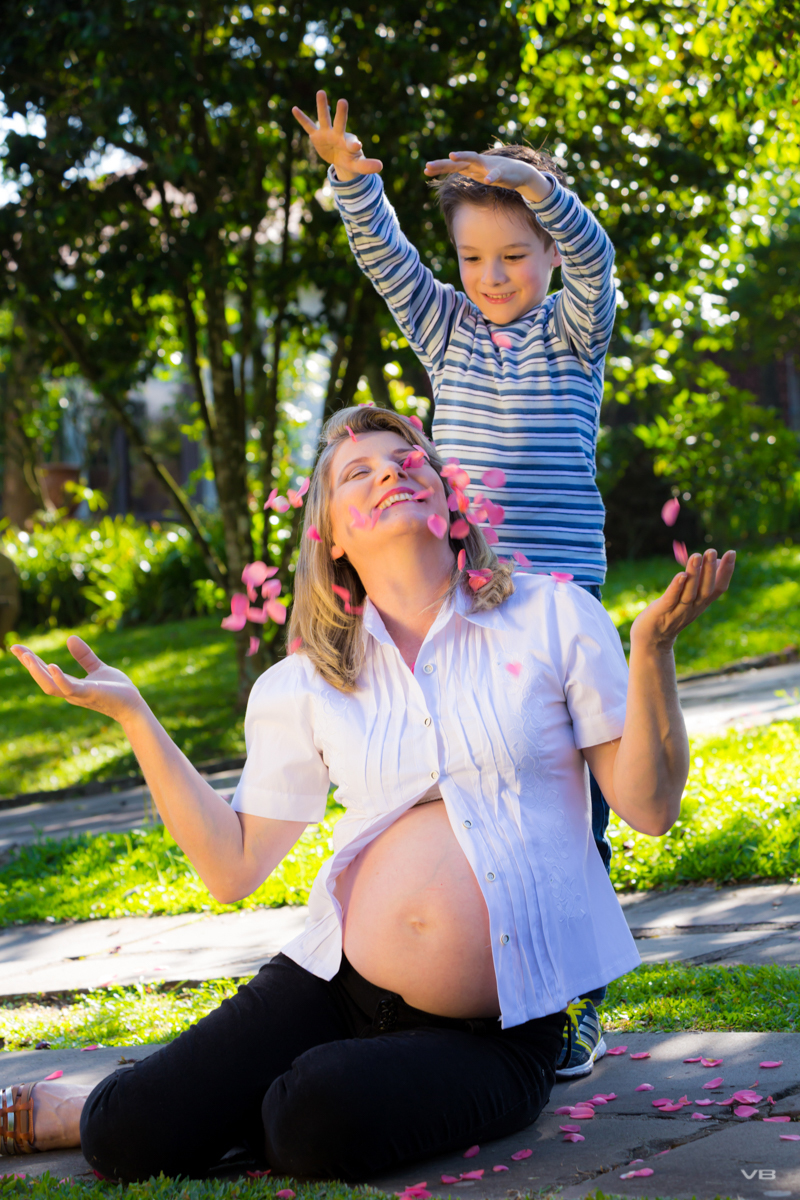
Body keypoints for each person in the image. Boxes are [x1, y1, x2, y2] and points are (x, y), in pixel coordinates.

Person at [1, 407, 735, 1183]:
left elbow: (650, 808)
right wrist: (135, 714)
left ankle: (265, 1099)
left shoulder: (553, 617)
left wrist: (651, 652)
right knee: (124, 1135)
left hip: (495, 1032)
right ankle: (148, 1102)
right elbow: (232, 868)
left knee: (312, 1118)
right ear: (333, 538)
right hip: (327, 985)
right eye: (360, 471)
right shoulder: (309, 683)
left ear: (446, 494)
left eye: (409, 457)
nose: (392, 470)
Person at [293, 90, 619, 1074]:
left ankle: (576, 1002)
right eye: (474, 257)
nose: (490, 277)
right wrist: (353, 179)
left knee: (572, 810)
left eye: (513, 255)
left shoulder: (572, 336)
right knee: (480, 799)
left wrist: (537, 190)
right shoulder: (447, 336)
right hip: (470, 606)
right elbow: (389, 260)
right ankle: (471, 979)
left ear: (548, 253)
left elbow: (597, 262)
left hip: (559, 612)